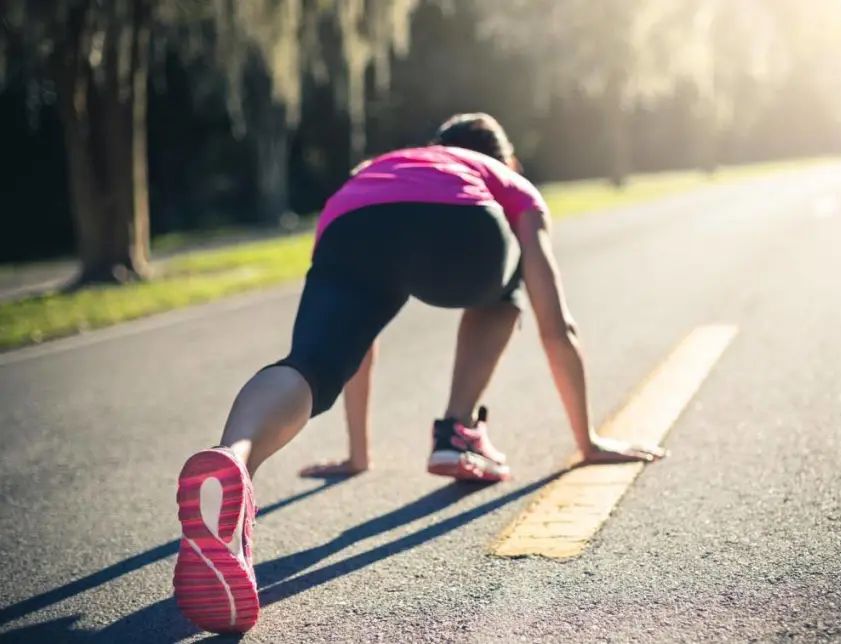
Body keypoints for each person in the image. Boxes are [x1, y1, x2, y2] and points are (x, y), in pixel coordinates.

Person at [172, 113, 667, 634]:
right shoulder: (506, 181)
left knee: (310, 365)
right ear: (508, 160)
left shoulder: (379, 167)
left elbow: (359, 340)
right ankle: (457, 429)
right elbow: (556, 325)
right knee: (510, 290)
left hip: (352, 219)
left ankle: (233, 459)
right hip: (465, 226)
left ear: (434, 148)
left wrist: (358, 453)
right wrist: (586, 441)